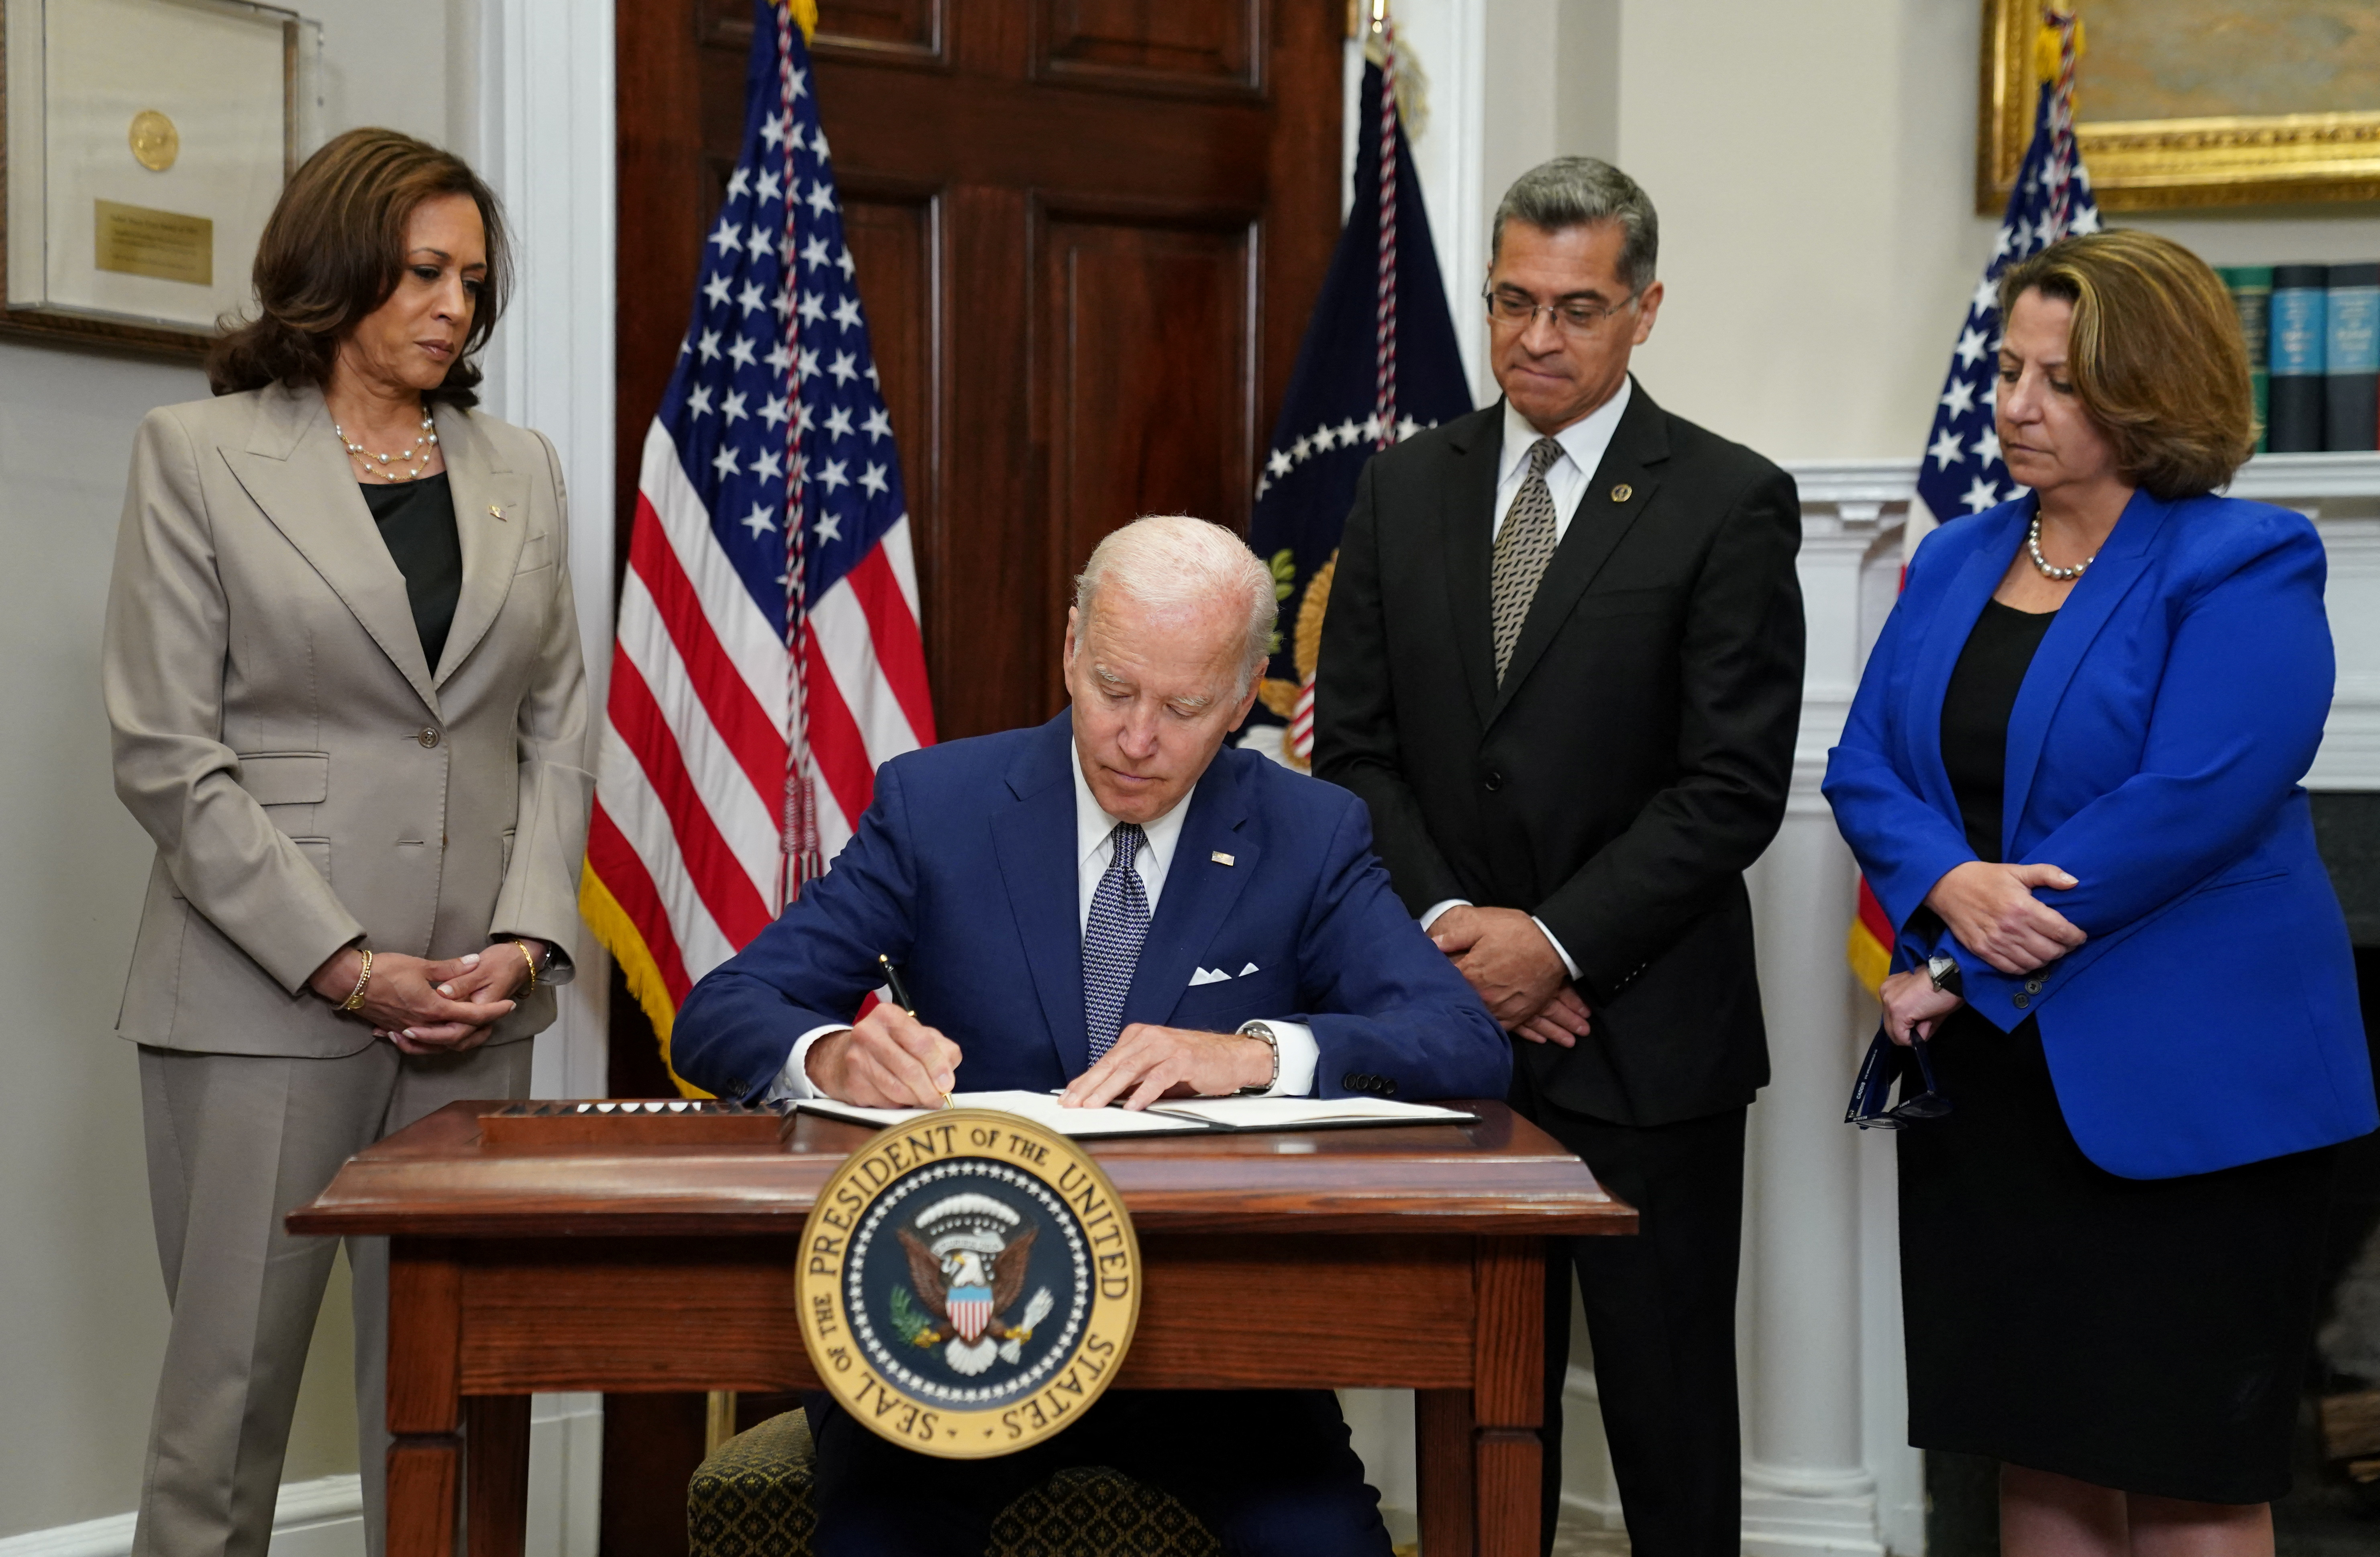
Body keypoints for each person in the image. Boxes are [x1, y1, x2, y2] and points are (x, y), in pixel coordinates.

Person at [672, 514, 1509, 1556]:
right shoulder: (937, 806)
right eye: (1114, 688)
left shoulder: (1310, 831)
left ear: (1245, 696)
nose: (1137, 737)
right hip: (953, 1329)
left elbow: (1465, 1040)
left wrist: (1256, 1055)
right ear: (1072, 649)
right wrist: (829, 1056)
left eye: (1186, 706)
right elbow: (719, 1014)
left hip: (1217, 1349)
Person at [1824, 230, 2378, 1551]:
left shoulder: (2247, 558)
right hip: (2001, 1090)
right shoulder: (1958, 556)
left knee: (2189, 1470)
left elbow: (2191, 800)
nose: (2015, 404)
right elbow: (1863, 766)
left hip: (2194, 1094)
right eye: (2010, 371)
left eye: (2058, 380)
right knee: (2042, 1454)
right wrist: (1949, 883)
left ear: (2150, 386)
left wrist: (1965, 951)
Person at [103, 128, 591, 1557]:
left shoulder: (524, 469)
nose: (454, 306)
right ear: (336, 271)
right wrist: (349, 964)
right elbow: (168, 756)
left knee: (449, 1396)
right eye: (425, 272)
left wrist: (525, 939)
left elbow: (557, 730)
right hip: (264, 998)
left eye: (474, 281)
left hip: (479, 1004)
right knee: (229, 1405)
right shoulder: (195, 455)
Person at [1313, 156, 1805, 1557]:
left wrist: (1557, 944)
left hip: (1650, 1048)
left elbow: (1731, 789)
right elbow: (1353, 752)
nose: (1538, 337)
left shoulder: (1727, 500)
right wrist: (1469, 936)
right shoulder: (1404, 489)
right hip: (1449, 1030)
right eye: (1514, 301)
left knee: (1664, 1422)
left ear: (1646, 311)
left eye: (1578, 309)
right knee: (1472, 1403)